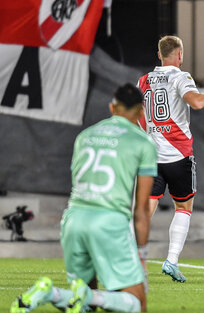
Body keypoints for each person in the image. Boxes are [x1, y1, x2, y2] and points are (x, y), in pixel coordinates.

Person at [11, 84, 158, 313]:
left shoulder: (85, 136)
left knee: (83, 303)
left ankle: (51, 293)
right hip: (108, 222)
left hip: (74, 220)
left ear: (112, 107)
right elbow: (141, 210)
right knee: (136, 304)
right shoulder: (142, 142)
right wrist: (142, 256)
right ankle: (84, 295)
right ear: (141, 111)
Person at [137, 35, 204, 283]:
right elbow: (198, 102)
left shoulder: (144, 80)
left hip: (151, 155)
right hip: (179, 155)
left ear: (159, 54)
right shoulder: (181, 77)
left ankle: (132, 258)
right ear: (179, 55)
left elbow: (139, 115)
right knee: (183, 207)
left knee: (147, 207)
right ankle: (171, 261)